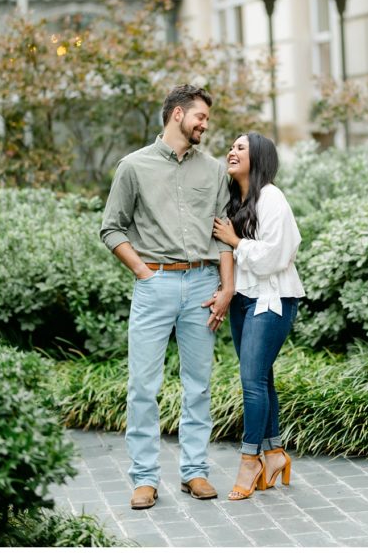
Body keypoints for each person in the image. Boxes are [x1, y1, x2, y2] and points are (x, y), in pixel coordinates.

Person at [100, 84, 235, 510]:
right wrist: (142, 270)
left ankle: (195, 471)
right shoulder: (133, 167)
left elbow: (223, 234)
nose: (205, 126)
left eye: (207, 120)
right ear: (177, 114)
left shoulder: (213, 170)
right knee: (143, 385)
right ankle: (144, 479)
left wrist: (225, 289)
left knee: (198, 386)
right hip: (154, 284)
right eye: (200, 117)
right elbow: (111, 228)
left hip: (201, 286)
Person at [212, 132, 305, 500]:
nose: (232, 151)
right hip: (243, 300)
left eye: (240, 148)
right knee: (261, 378)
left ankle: (250, 459)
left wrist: (236, 242)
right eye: (232, 146)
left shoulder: (272, 198)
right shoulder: (235, 199)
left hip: (272, 299)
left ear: (259, 158)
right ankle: (274, 453)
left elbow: (274, 257)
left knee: (251, 380)